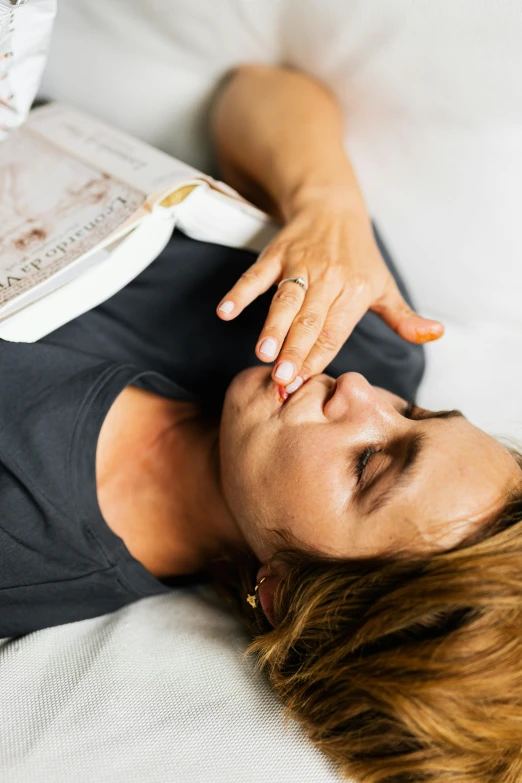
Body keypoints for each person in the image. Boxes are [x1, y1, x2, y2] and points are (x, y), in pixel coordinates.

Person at [2, 63, 521, 783]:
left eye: (368, 464)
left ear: (280, 593)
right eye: (415, 415)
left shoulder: (21, 551)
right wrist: (325, 207)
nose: (362, 391)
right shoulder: (348, 333)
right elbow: (260, 90)